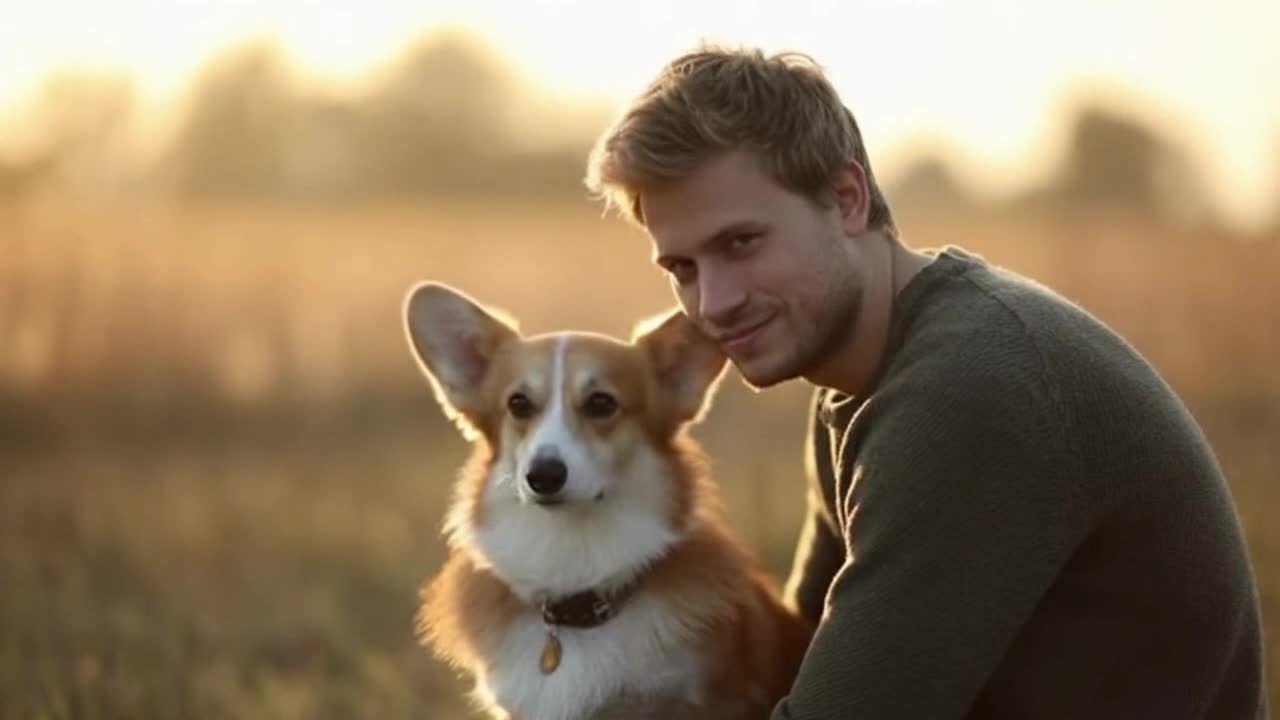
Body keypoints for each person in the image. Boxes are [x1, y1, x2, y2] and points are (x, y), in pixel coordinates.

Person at [583, 45, 1268, 718]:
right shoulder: (858, 383)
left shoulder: (970, 389)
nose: (714, 302)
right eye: (682, 269)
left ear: (846, 200)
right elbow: (790, 667)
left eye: (741, 243)